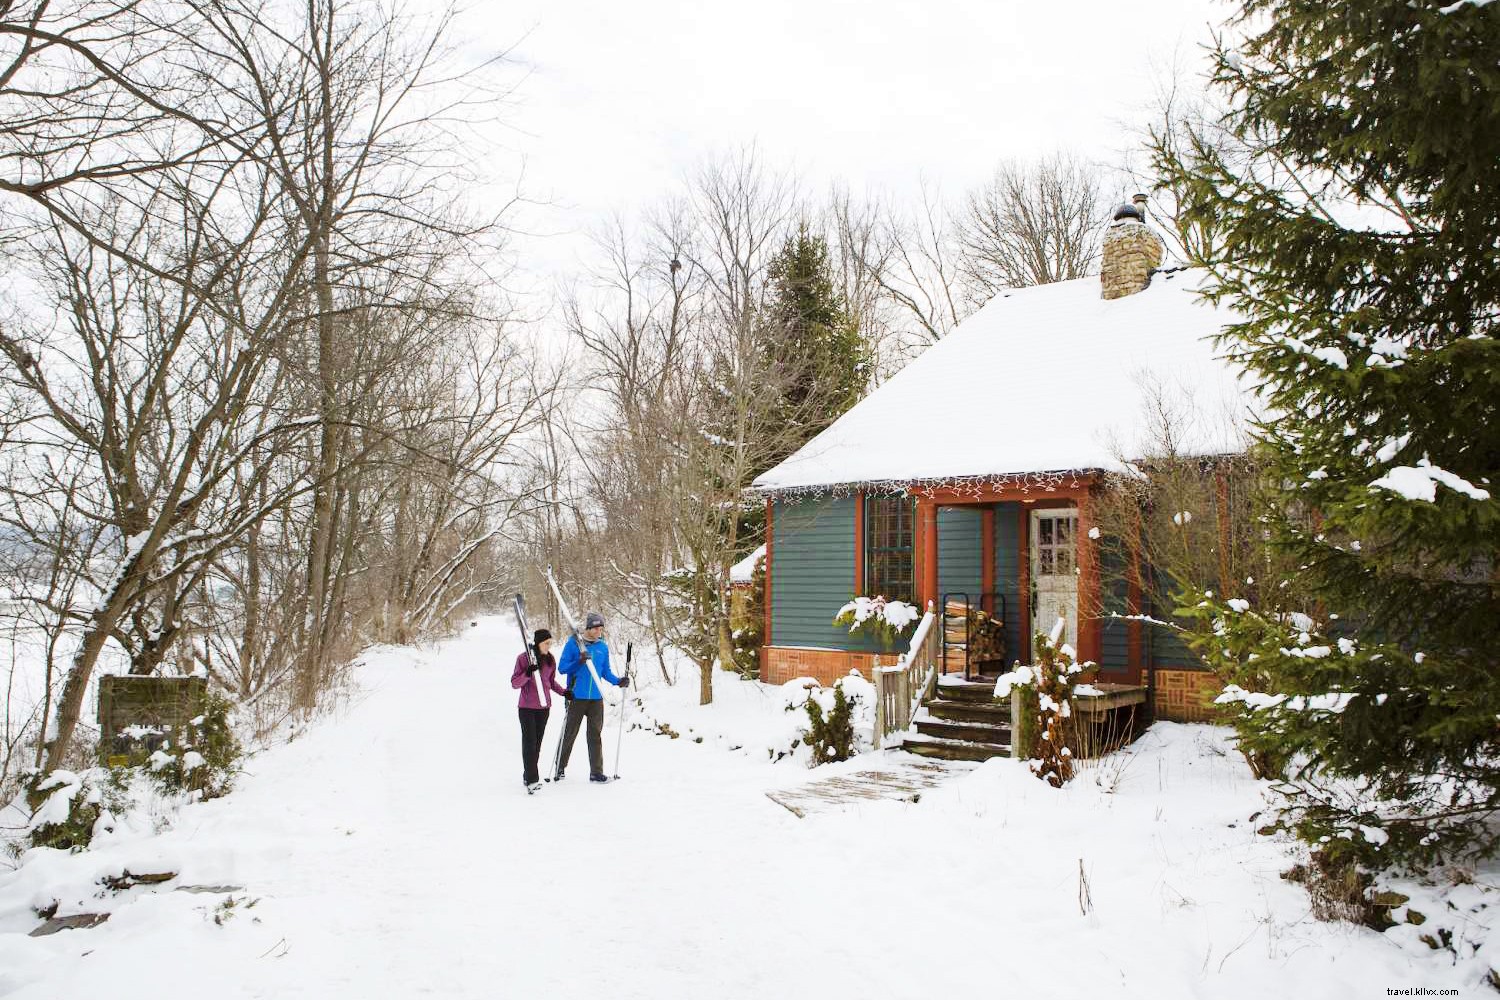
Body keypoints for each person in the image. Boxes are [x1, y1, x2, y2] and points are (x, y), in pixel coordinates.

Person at [554, 612, 629, 783]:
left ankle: (596, 772)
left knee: (595, 735)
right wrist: (579, 661)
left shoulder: (602, 647)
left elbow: (605, 672)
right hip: (576, 696)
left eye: (601, 628)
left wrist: (618, 681)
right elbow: (562, 668)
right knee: (570, 733)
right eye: (595, 628)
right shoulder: (574, 644)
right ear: (588, 628)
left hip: (596, 698)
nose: (599, 631)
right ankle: (559, 767)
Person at [512, 628, 568, 793]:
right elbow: (515, 683)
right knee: (529, 743)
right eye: (546, 643)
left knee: (537, 744)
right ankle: (532, 779)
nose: (548, 646)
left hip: (544, 708)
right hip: (527, 707)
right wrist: (527, 673)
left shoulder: (550, 660)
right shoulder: (523, 659)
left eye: (550, 643)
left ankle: (527, 774)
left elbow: (551, 682)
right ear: (537, 643)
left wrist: (564, 692)